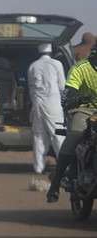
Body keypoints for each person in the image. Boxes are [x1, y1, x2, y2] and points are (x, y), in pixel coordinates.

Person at [46, 44, 97, 203]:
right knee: (76, 134)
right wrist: (77, 99)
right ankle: (55, 183)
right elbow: (66, 96)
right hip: (84, 110)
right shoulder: (80, 68)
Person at [27, 43, 66, 175]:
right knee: (58, 135)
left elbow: (30, 88)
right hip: (53, 104)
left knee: (39, 136)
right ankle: (63, 167)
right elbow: (62, 87)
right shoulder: (57, 64)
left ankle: (38, 168)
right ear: (51, 52)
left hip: (37, 104)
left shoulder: (33, 66)